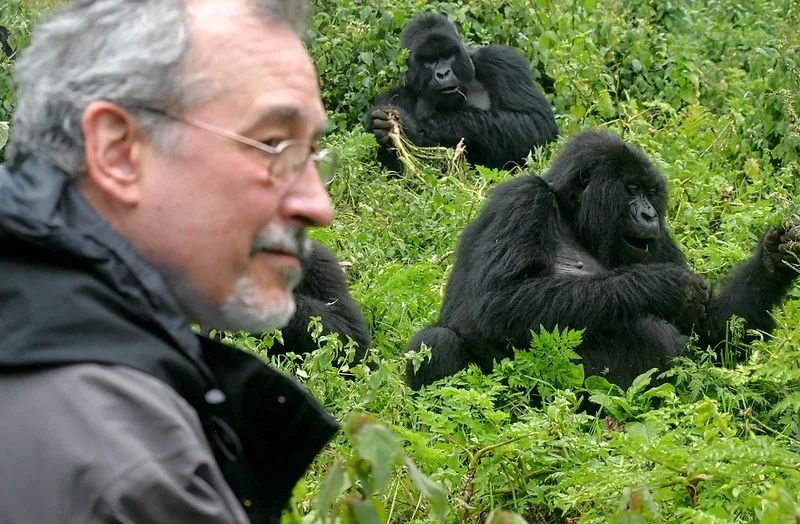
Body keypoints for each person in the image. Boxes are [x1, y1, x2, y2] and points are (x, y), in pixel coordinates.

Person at [0, 0, 340, 522]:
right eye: (272, 145)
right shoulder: (127, 467)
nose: (319, 206)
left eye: (312, 154)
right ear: (118, 152)